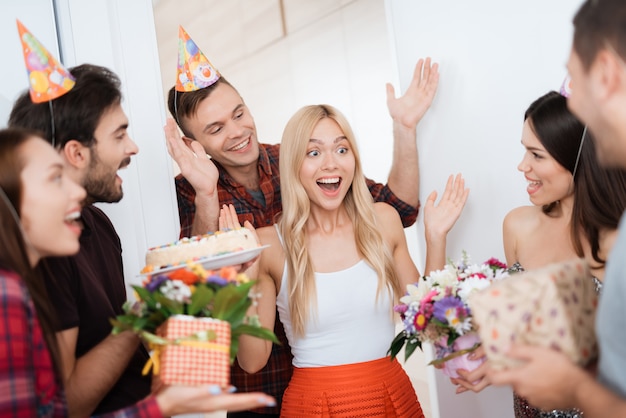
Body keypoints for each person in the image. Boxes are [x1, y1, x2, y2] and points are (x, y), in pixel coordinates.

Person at [165, 39, 439, 416]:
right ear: (194, 143)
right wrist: (207, 195)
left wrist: (404, 129)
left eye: (239, 113)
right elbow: (196, 293)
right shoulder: (185, 193)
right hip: (261, 390)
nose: (237, 131)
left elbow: (397, 211)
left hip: (353, 380)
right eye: (216, 128)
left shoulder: (295, 158)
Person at [0, 127, 276, 417]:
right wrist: (162, 406)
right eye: (56, 179)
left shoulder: (22, 285)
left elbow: (51, 412)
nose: (77, 190)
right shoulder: (7, 296)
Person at [225, 104, 468, 417]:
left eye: (342, 149)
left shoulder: (383, 220)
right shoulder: (268, 243)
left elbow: (427, 325)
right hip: (312, 406)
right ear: (293, 164)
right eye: (314, 153)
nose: (331, 164)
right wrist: (240, 285)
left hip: (391, 396)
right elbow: (252, 361)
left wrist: (435, 239)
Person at [485, 1, 626, 416]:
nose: (575, 101)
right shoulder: (518, 225)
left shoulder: (615, 241)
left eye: (574, 78)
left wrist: (577, 391)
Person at [451, 91, 626, 416]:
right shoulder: (517, 225)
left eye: (536, 155)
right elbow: (519, 337)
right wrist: (496, 364)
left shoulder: (617, 243)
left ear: (577, 157)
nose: (522, 166)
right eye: (524, 151)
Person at [8, 64, 148, 416]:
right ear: (75, 153)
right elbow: (64, 406)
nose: (133, 147)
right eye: (119, 135)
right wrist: (143, 316)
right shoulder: (37, 262)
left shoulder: (97, 223)